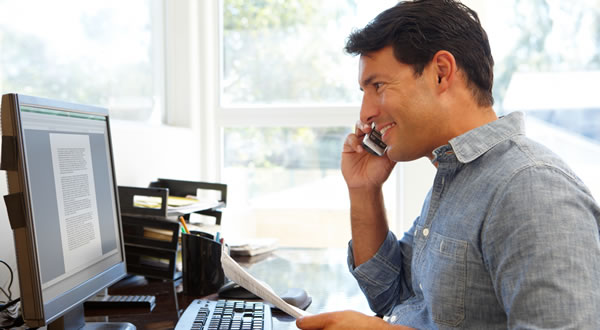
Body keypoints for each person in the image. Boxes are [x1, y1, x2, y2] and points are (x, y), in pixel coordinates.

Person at [296, 0, 600, 329]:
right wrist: (364, 190)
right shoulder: (456, 178)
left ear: (441, 72)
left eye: (378, 86)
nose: (365, 113)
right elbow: (392, 296)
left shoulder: (532, 189)